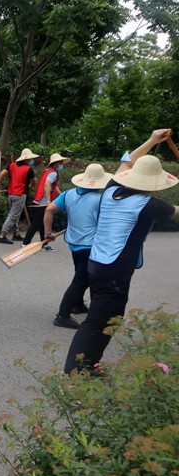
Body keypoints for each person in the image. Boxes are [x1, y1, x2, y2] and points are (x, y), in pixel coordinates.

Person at [63, 130, 179, 374]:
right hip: (114, 270)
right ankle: (74, 372)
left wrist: (152, 140)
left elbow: (127, 161)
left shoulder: (112, 190)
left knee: (108, 320)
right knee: (98, 322)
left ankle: (89, 365)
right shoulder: (147, 204)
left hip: (98, 263)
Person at [43, 164, 112, 330]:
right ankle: (62, 315)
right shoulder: (100, 199)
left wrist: (48, 232)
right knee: (81, 281)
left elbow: (49, 210)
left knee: (81, 276)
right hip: (91, 247)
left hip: (74, 245)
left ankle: (78, 305)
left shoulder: (68, 194)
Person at [22, 153, 69, 250]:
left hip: (39, 199)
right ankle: (25, 244)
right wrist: (48, 200)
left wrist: (61, 196)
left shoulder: (48, 171)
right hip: (43, 202)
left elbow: (53, 186)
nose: (61, 165)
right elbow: (47, 185)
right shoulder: (53, 173)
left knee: (44, 223)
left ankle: (44, 244)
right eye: (60, 163)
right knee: (37, 223)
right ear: (55, 164)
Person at [0, 148, 38, 244]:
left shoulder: (12, 166)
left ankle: (16, 234)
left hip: (11, 194)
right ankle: (2, 235)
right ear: (26, 159)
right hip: (20, 195)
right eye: (29, 159)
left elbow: (1, 175)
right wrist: (30, 187)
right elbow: (35, 182)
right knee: (13, 216)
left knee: (14, 216)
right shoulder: (28, 169)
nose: (30, 160)